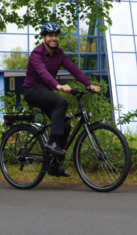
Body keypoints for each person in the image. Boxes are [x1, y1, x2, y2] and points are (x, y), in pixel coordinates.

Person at [23, 22, 100, 176]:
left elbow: (73, 69)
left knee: (65, 125)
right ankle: (51, 143)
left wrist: (89, 84)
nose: (54, 38)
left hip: (46, 92)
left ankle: (54, 164)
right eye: (50, 35)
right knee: (61, 101)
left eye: (56, 35)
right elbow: (43, 72)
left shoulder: (59, 54)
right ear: (44, 37)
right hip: (32, 91)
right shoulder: (36, 54)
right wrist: (58, 86)